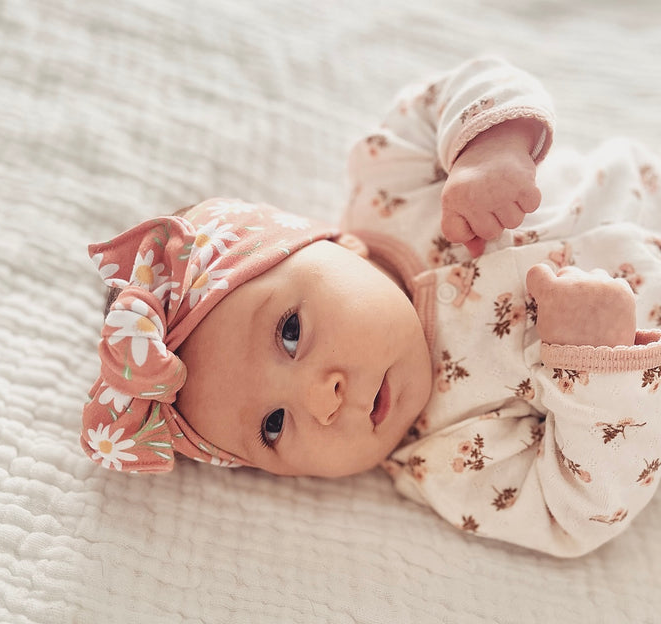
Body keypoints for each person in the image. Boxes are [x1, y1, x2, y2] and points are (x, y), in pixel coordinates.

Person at [81, 57, 661, 557]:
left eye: (289, 333)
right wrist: (592, 366)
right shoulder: (446, 461)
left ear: (334, 243)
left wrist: (488, 149)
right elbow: (579, 512)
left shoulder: (392, 186)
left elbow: (457, 89)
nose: (321, 401)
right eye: (272, 426)